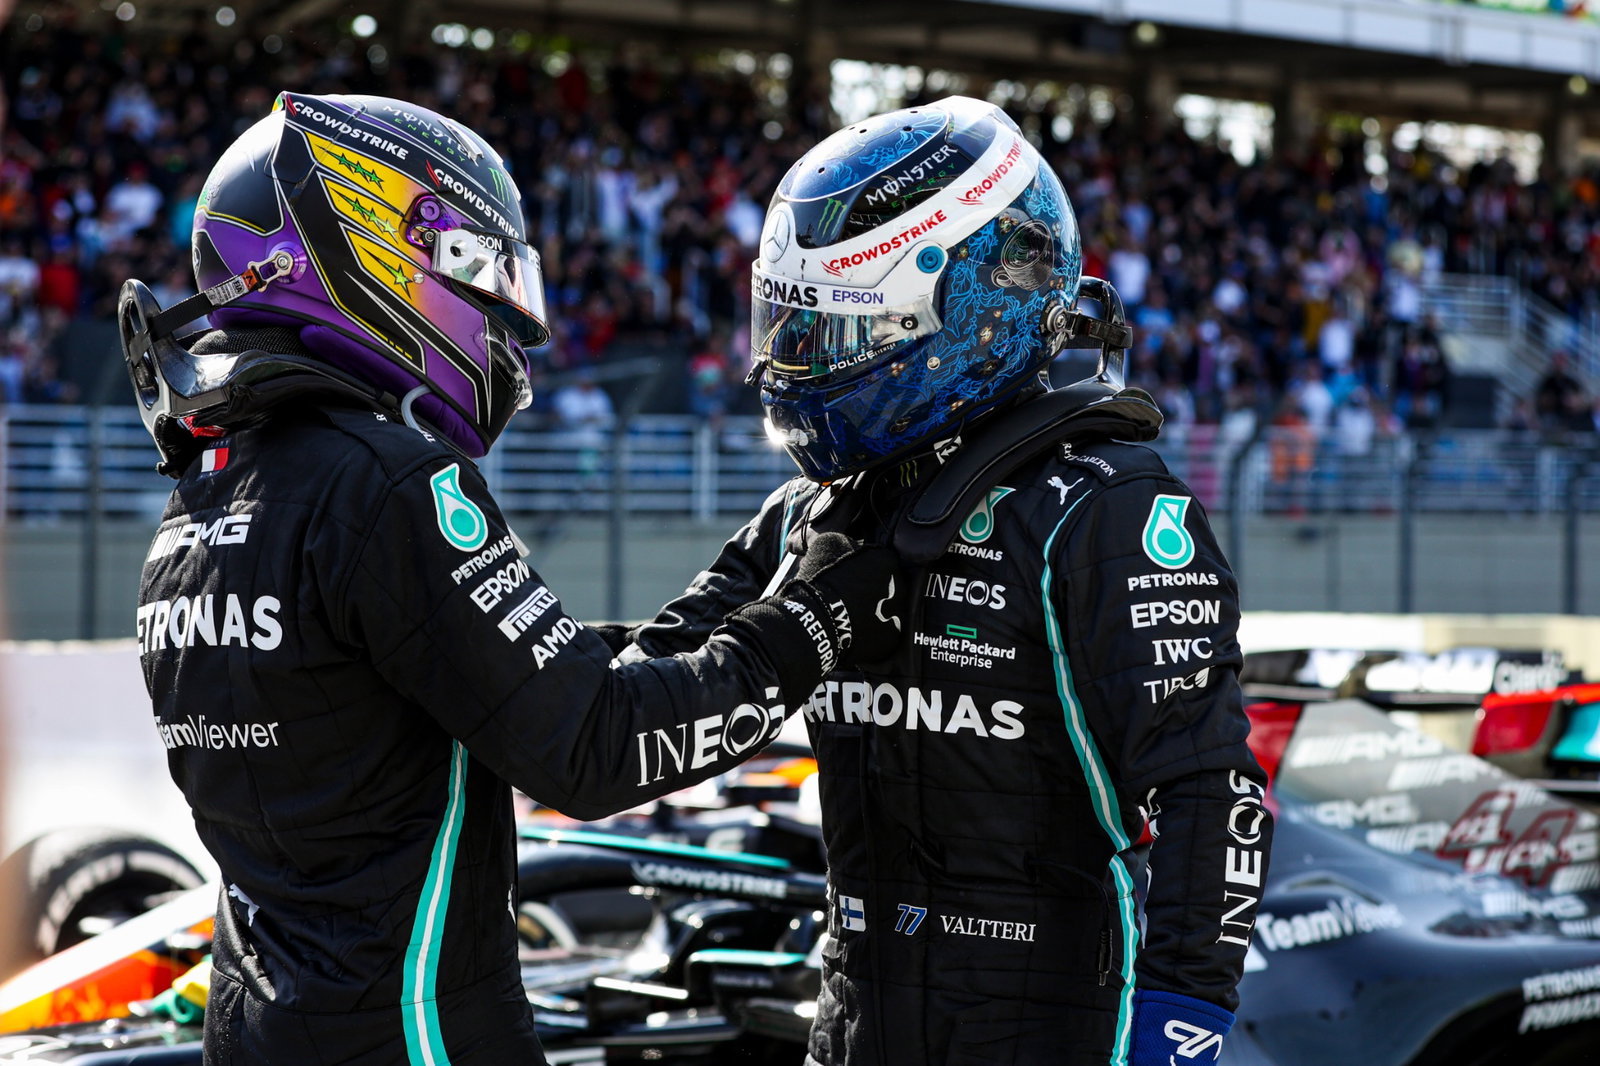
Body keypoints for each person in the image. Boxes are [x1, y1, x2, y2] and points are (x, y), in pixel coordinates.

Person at [122, 92, 908, 1066]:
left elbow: (522, 684)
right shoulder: (386, 480)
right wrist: (814, 624)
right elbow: (593, 745)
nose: (503, 323)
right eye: (475, 273)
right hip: (418, 1036)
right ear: (370, 247)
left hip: (259, 1031)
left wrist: (746, 576)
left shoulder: (203, 499)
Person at [620, 96, 1272, 1065]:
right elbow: (647, 689)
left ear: (968, 310)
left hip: (1048, 1031)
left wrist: (1175, 1036)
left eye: (838, 334)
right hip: (851, 1021)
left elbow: (1210, 797)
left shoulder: (1104, 510)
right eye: (793, 330)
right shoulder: (817, 508)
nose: (800, 366)